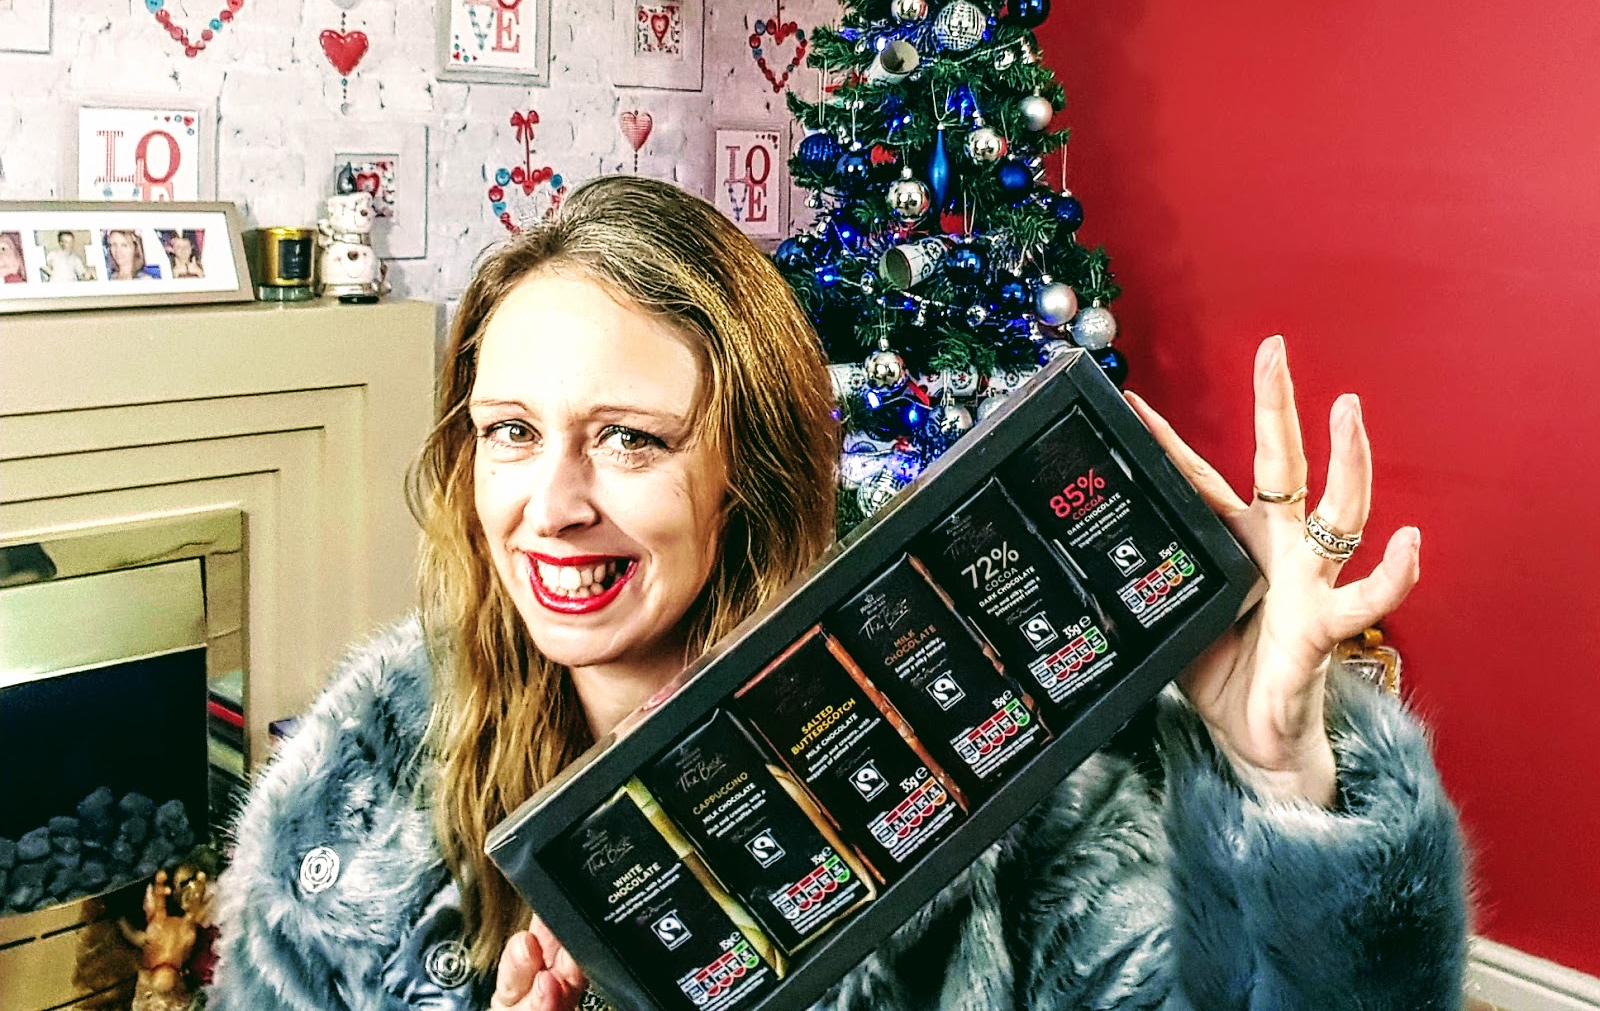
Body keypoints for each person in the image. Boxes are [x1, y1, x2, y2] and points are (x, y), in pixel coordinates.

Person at [212, 177, 1467, 1011]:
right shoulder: (353, 805)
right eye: (510, 432)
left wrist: (1281, 781)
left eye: (631, 438)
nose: (552, 503)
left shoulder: (1008, 797)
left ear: (746, 473)